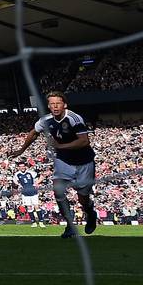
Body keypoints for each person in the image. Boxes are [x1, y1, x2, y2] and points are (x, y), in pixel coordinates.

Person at [9, 91, 96, 238]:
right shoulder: (45, 120)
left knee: (83, 198)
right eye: (52, 104)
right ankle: (70, 225)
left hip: (83, 162)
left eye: (58, 103)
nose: (55, 106)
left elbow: (84, 141)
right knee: (58, 191)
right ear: (48, 106)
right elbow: (33, 133)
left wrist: (60, 146)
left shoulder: (74, 118)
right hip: (63, 161)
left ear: (64, 105)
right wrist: (21, 150)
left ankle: (90, 213)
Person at [14, 160, 45, 227]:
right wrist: (19, 185)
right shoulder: (17, 174)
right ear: (18, 167)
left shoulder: (31, 173)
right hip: (25, 193)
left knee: (36, 206)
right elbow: (15, 181)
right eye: (20, 166)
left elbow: (42, 177)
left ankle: (41, 222)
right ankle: (33, 222)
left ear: (25, 166)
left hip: (33, 192)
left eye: (23, 166)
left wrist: (36, 183)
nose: (22, 167)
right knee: (29, 207)